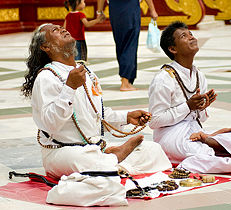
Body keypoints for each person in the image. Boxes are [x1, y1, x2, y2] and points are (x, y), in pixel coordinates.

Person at [21, 23, 171, 180]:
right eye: (55, 31)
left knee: (153, 149)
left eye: (61, 27)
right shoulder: (47, 77)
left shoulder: (86, 72)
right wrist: (69, 88)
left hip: (94, 149)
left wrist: (127, 117)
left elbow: (95, 112)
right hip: (64, 152)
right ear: (46, 47)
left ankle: (113, 166)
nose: (63, 29)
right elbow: (50, 123)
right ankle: (113, 163)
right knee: (83, 160)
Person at [148, 21, 231, 174]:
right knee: (203, 153)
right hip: (171, 137)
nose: (191, 37)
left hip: (196, 133)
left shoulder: (199, 75)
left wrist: (202, 108)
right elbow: (154, 121)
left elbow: (199, 118)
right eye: (184, 36)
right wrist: (188, 106)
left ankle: (211, 141)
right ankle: (227, 157)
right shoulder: (163, 78)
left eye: (190, 34)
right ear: (173, 49)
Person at [97, 0, 158, 91]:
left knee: (120, 43)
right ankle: (125, 81)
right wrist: (152, 10)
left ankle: (127, 79)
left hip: (115, 8)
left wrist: (100, 11)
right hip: (131, 7)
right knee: (130, 43)